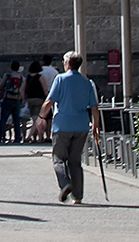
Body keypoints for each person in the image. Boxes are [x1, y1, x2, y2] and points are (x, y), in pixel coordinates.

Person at [39, 53, 101, 206]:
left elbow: (49, 102)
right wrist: (96, 126)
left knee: (58, 158)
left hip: (62, 125)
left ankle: (65, 183)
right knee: (75, 161)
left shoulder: (60, 79)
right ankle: (77, 196)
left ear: (67, 63)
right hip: (81, 125)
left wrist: (41, 118)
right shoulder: (87, 82)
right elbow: (94, 107)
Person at [0, 61, 24, 145]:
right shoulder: (20, 77)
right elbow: (22, 88)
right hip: (17, 100)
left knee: (3, 119)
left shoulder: (7, 76)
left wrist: (0, 96)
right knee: (16, 121)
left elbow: (1, 87)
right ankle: (17, 138)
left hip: (7, 99)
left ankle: (0, 137)